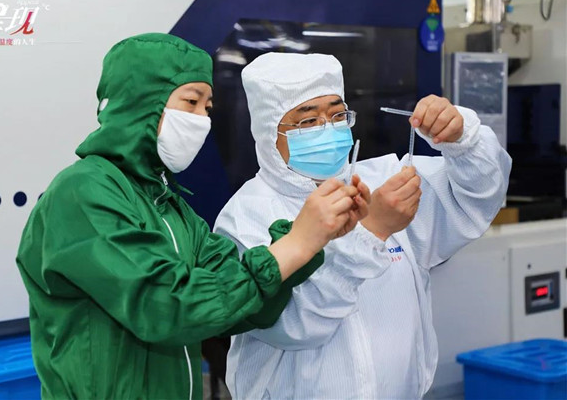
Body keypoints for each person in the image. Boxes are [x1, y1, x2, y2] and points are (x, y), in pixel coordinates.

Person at [15, 35, 370, 400]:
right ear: (141, 102)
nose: (201, 119)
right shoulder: (84, 192)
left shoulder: (168, 206)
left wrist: (309, 239)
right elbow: (166, 307)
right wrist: (295, 244)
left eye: (207, 107)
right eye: (190, 102)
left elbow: (236, 305)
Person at [214, 52, 512, 399]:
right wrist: (371, 230)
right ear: (269, 133)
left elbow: (480, 196)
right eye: (307, 121)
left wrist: (461, 138)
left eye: (337, 115)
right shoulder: (246, 215)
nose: (328, 129)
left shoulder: (384, 182)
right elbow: (292, 327)